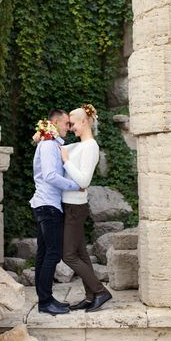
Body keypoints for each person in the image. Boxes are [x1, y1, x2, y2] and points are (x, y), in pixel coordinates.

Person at [60, 104, 112, 312]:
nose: (70, 127)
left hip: (75, 207)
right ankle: (91, 296)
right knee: (81, 254)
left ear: (84, 122)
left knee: (69, 255)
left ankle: (100, 291)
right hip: (71, 205)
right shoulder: (80, 146)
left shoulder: (90, 146)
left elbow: (84, 180)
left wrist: (66, 162)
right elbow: (60, 147)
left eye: (73, 123)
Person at [29, 109, 81, 315]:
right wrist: (75, 186)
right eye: (66, 123)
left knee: (44, 254)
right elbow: (50, 175)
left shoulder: (48, 143)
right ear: (56, 122)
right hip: (49, 206)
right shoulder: (49, 144)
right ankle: (45, 301)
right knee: (53, 253)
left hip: (43, 204)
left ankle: (45, 299)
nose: (68, 127)